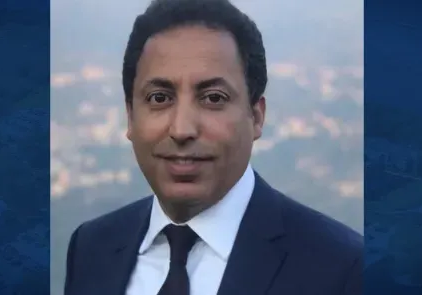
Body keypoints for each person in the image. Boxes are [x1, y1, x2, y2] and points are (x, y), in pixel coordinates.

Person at [63, 0, 363, 294]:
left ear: (256, 117)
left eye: (213, 98)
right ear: (130, 116)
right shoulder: (92, 248)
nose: (182, 129)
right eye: (159, 98)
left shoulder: (342, 268)